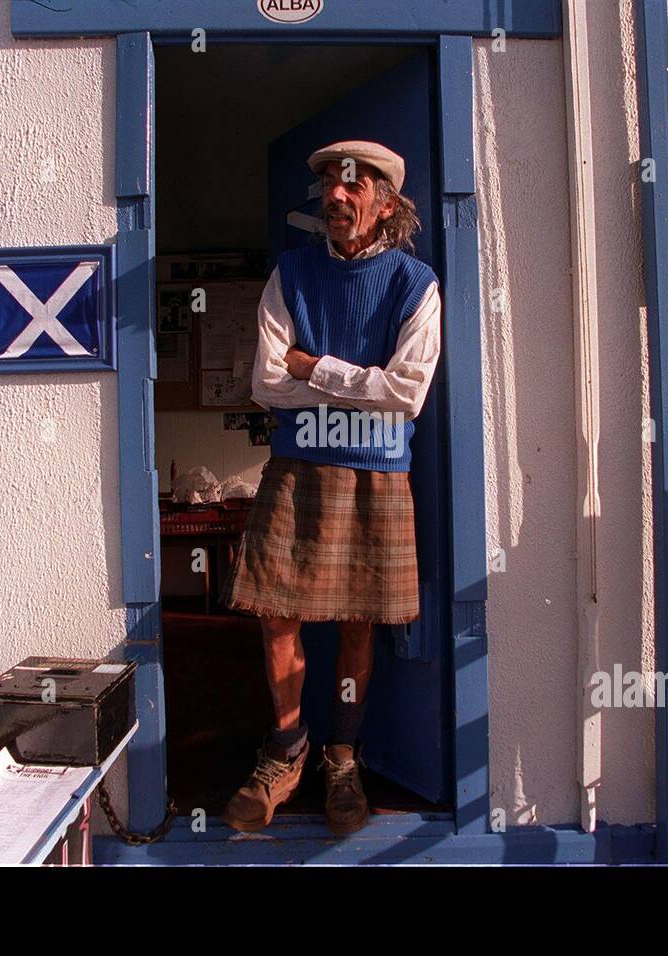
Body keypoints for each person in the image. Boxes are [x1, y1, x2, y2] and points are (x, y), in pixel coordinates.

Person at [218, 140, 442, 836]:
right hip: (297, 473)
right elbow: (265, 384)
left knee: (356, 623)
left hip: (378, 477)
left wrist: (315, 366)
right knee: (275, 615)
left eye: (355, 186)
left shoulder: (416, 282)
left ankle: (341, 757)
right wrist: (355, 382)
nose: (337, 198)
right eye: (329, 187)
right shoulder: (291, 273)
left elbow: (406, 394)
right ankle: (287, 750)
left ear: (385, 202)